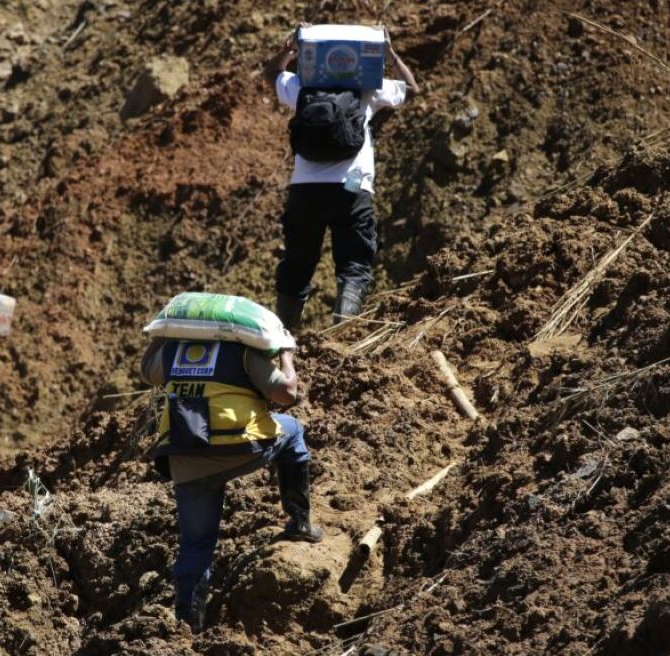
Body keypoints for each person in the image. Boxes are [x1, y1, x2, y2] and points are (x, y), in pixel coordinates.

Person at [140, 336, 321, 631]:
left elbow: (146, 370)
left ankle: (187, 625)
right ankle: (299, 522)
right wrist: (287, 354)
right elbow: (287, 393)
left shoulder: (174, 351)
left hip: (186, 456)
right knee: (294, 430)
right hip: (237, 447)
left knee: (196, 544)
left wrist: (162, 336)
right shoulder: (244, 352)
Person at [264, 25, 420, 328]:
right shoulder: (367, 89)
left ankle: (282, 343)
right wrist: (388, 51)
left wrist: (289, 50)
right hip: (352, 188)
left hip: (305, 190)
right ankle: (339, 338)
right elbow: (412, 89)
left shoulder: (303, 87)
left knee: (297, 264)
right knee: (353, 265)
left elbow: (270, 75)